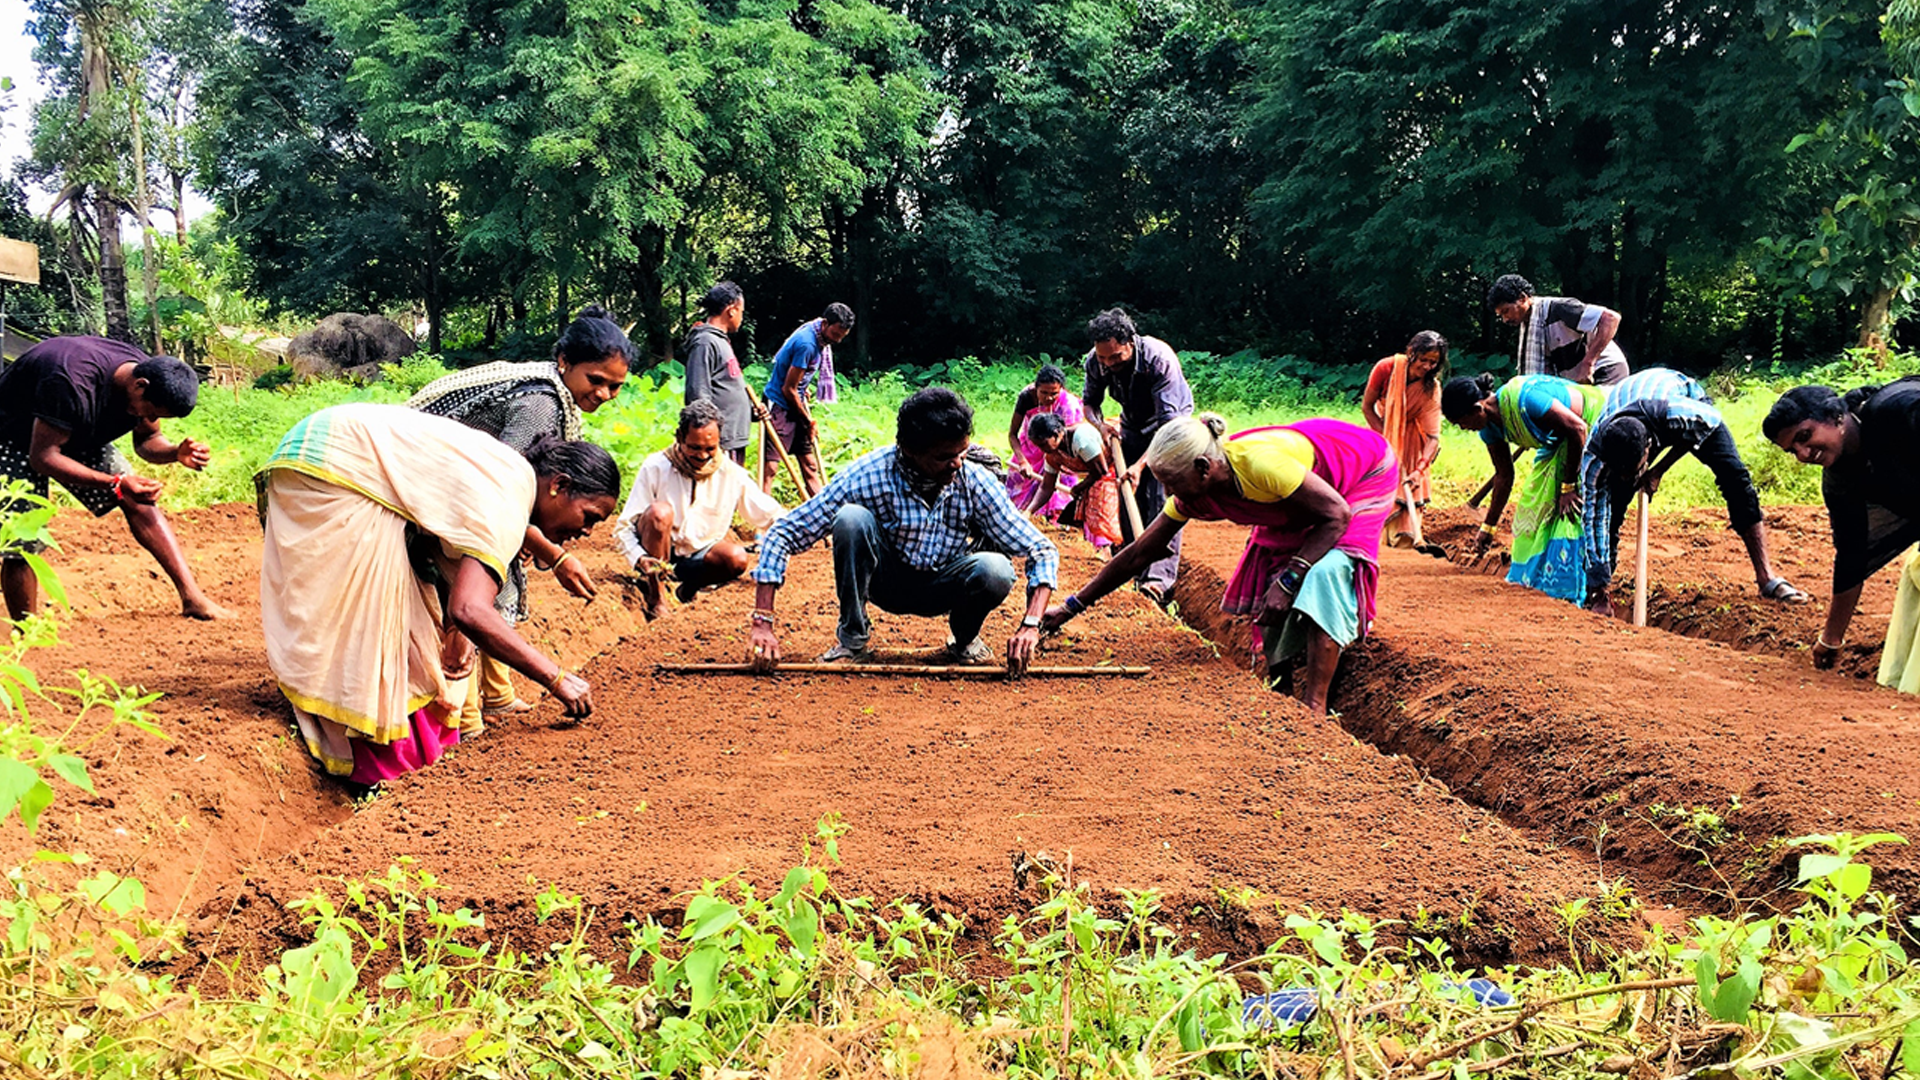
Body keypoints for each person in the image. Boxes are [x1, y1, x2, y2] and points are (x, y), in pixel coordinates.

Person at [258, 403, 619, 785]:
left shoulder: (512, 477)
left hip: (325, 449)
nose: (587, 532)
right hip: (332, 470)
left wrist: (462, 626)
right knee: (375, 626)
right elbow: (469, 609)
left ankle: (398, 744)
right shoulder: (509, 500)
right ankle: (370, 759)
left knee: (411, 622)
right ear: (559, 486)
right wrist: (556, 678)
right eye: (589, 517)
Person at [1042, 415, 1397, 715]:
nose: (1168, 495)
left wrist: (1291, 579)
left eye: (1172, 483)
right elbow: (1139, 554)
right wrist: (1070, 607)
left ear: (1203, 468)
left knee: (1324, 573)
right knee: (1269, 576)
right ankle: (1282, 692)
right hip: (1306, 490)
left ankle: (1314, 706)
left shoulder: (1262, 467)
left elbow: (1336, 515)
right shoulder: (1194, 491)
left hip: (1362, 472)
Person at [408, 304, 631, 720]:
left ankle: (495, 695)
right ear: (564, 362)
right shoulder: (541, 404)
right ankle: (462, 715)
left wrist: (541, 544)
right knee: (476, 589)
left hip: (455, 488)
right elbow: (498, 493)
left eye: (615, 386)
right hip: (427, 485)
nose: (604, 394)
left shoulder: (556, 394)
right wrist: (553, 554)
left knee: (495, 570)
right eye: (596, 380)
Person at [746, 387, 1058, 673]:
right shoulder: (869, 475)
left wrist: (1031, 624)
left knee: (996, 569)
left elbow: (1041, 549)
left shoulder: (974, 480)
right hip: (886, 581)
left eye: (961, 453)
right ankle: (852, 640)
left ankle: (964, 639)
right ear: (910, 450)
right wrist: (762, 621)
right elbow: (784, 532)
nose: (957, 464)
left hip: (947, 584)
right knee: (851, 519)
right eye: (944, 457)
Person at [0, 335, 232, 622]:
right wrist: (114, 482)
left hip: (71, 431)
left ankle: (192, 598)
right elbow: (43, 457)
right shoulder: (70, 381)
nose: (147, 418)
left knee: (139, 499)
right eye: (149, 411)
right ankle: (26, 632)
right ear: (140, 386)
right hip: (10, 434)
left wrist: (175, 453)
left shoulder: (148, 378)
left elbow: (147, 441)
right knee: (24, 540)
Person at [1581, 368, 1806, 617]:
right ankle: (1599, 592)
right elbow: (1594, 516)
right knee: (1612, 509)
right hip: (1628, 420)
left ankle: (1766, 577)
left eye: (1632, 471)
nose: (1627, 479)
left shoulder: (1679, 412)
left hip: (1687, 406)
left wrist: (1658, 470)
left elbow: (1706, 422)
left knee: (1735, 478)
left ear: (1648, 449)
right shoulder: (1594, 457)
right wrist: (1598, 588)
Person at [1764, 379, 1920, 688]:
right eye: (1793, 450)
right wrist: (1831, 638)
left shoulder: (1898, 409)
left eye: (1804, 436)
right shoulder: (1840, 480)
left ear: (1835, 416)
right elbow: (1851, 554)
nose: (1803, 453)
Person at [1442, 372, 1604, 603]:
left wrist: (1568, 487)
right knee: (1533, 511)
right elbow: (1504, 476)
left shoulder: (1526, 399)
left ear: (1478, 409)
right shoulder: (1489, 429)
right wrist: (1488, 528)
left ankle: (1580, 589)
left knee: (1570, 512)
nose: (1464, 428)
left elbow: (1578, 429)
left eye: (1462, 423)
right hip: (1560, 443)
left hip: (1591, 426)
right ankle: (1543, 583)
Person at [618, 399, 785, 618]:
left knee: (736, 558)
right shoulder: (656, 466)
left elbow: (770, 514)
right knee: (659, 514)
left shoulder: (731, 474)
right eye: (694, 448)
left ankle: (688, 589)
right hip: (657, 555)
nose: (703, 456)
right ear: (680, 438)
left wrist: (793, 534)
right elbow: (624, 527)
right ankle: (656, 595)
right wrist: (639, 557)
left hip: (697, 559)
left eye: (710, 449)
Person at [1080, 307, 1195, 603]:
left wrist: (1141, 466)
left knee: (1160, 501)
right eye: (1103, 358)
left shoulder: (1158, 359)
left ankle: (1158, 581)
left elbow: (1167, 427)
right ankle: (1134, 569)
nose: (1109, 363)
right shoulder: (1096, 361)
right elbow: (1089, 403)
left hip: (1170, 431)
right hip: (1131, 428)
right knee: (1129, 500)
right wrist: (1101, 426)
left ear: (1130, 342)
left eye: (1115, 357)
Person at [1361, 331, 1446, 549]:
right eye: (1423, 359)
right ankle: (1375, 542)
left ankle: (1407, 540)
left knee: (1408, 487)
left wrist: (1419, 470)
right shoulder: (1386, 368)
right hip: (1381, 435)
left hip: (1411, 444)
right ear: (1411, 352)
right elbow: (1367, 407)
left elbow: (1433, 437)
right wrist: (1387, 439)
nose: (1427, 366)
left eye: (1433, 362)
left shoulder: (1431, 388)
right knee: (1378, 487)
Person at [761, 303, 853, 498]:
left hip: (796, 401)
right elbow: (788, 389)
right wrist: (808, 421)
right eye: (835, 334)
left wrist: (803, 388)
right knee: (770, 468)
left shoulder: (818, 335)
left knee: (810, 464)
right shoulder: (807, 344)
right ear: (825, 323)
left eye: (841, 336)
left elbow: (796, 379)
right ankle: (762, 514)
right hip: (779, 404)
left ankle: (824, 510)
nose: (837, 340)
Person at [1487, 274, 1631, 386]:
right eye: (1501, 315)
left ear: (1522, 298)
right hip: (1579, 381)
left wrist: (1588, 363)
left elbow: (1611, 318)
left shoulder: (1560, 308)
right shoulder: (1530, 326)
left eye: (1506, 311)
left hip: (1605, 369)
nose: (1505, 319)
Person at [1021, 412, 1121, 552]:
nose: (1042, 450)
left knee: (1100, 504)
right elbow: (1046, 487)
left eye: (1043, 444)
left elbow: (1100, 470)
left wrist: (1078, 488)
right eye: (1039, 446)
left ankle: (1112, 546)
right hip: (1097, 471)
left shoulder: (1082, 440)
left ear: (1056, 434)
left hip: (1114, 463)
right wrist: (1028, 511)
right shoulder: (1052, 455)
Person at [682, 282, 754, 465]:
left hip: (733, 438)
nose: (741, 317)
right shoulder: (705, 342)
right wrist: (707, 437)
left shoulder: (720, 341)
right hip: (719, 442)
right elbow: (698, 394)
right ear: (731, 310)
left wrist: (751, 410)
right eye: (741, 311)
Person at [1004, 363, 1084, 520]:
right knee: (1018, 487)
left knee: (1059, 495)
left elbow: (1068, 442)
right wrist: (1023, 461)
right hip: (1031, 446)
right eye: (1044, 393)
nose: (1048, 398)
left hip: (1059, 451)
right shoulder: (1026, 397)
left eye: (1054, 393)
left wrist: (1054, 462)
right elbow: (1012, 434)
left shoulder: (1068, 405)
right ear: (1036, 388)